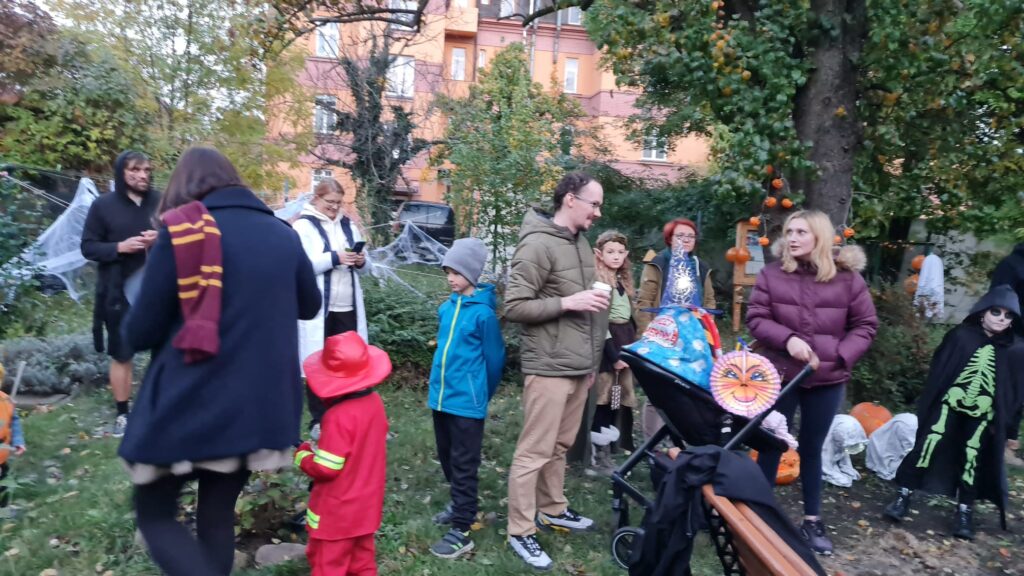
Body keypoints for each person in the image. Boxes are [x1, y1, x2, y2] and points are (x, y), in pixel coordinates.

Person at [119, 147, 321, 576]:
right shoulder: (283, 234)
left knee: (155, 512)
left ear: (185, 186)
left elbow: (141, 333)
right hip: (262, 405)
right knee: (216, 510)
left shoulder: (182, 231)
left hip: (193, 401)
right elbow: (310, 305)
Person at [746, 209, 878, 556]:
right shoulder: (772, 274)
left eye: (801, 232)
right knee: (772, 442)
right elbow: (756, 318)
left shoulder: (848, 279)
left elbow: (865, 325)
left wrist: (840, 355)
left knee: (811, 447)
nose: (792, 238)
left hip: (827, 379)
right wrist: (788, 339)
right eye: (790, 231)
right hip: (781, 374)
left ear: (819, 236)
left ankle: (812, 520)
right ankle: (761, 516)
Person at [503, 171, 610, 570]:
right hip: (548, 366)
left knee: (561, 446)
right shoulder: (537, 244)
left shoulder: (579, 243)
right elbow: (514, 306)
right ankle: (520, 530)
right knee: (534, 451)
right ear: (570, 199)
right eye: (594, 204)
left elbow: (590, 312)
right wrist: (568, 302)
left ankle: (552, 508)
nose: (598, 213)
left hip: (578, 367)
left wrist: (591, 364)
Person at [883, 285, 1024, 540]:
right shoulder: (960, 337)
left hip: (983, 411)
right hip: (950, 402)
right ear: (983, 312)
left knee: (972, 457)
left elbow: (1016, 393)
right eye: (996, 312)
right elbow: (939, 373)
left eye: (1008, 315)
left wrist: (1010, 430)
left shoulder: (1015, 349)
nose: (1001, 319)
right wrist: (929, 405)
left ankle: (964, 511)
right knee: (927, 445)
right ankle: (903, 495)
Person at [426, 237, 506, 559]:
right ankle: (459, 504)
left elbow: (495, 360)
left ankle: (462, 528)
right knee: (447, 456)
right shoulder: (446, 308)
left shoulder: (483, 315)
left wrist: (479, 394)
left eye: (457, 272)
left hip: (467, 404)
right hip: (441, 399)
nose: (450, 278)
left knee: (464, 463)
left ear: (471, 273)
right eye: (448, 272)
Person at [295, 332, 390, 576]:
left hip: (336, 514)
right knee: (362, 564)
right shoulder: (375, 403)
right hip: (366, 509)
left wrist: (303, 455)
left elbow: (326, 468)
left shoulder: (337, 416)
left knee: (328, 565)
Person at [80, 150, 160, 437]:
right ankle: (123, 414)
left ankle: (157, 408)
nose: (142, 175)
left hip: (158, 291)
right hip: (117, 292)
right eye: (135, 170)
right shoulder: (103, 206)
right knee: (122, 353)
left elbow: (182, 236)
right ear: (121, 173)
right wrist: (119, 248)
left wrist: (161, 237)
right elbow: (88, 247)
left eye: (146, 170)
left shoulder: (161, 202)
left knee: (162, 352)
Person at [294, 178, 369, 430]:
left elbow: (366, 269)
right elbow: (302, 266)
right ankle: (320, 420)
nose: (335, 207)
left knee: (351, 363)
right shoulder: (303, 226)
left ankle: (351, 417)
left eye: (339, 202)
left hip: (347, 307)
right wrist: (334, 258)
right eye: (330, 202)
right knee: (319, 363)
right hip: (319, 309)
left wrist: (360, 261)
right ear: (316, 198)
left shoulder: (349, 225)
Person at [635, 218, 717, 443]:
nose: (686, 240)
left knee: (688, 388)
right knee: (657, 389)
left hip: (693, 336)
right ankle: (653, 445)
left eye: (690, 236)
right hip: (663, 335)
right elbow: (645, 301)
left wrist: (707, 330)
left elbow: (709, 301)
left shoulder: (700, 266)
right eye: (680, 236)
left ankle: (680, 444)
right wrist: (647, 335)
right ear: (670, 239)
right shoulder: (658, 263)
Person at [588, 230, 637, 475]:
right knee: (602, 397)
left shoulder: (622, 281)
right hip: (607, 347)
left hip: (625, 341)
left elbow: (630, 316)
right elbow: (599, 322)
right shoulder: (599, 281)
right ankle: (596, 453)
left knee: (616, 397)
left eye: (620, 252)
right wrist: (613, 356)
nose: (616, 256)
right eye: (610, 252)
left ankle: (609, 447)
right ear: (600, 254)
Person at [990, 244, 1024, 466]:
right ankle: (997, 443)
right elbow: (999, 299)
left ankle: (1009, 443)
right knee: (1005, 390)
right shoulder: (1012, 265)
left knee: (1019, 392)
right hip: (1011, 339)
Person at [0, 362, 26, 514]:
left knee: (4, 482)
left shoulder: (6, 401)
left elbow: (14, 421)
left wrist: (18, 441)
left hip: (2, 456)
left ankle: (3, 509)